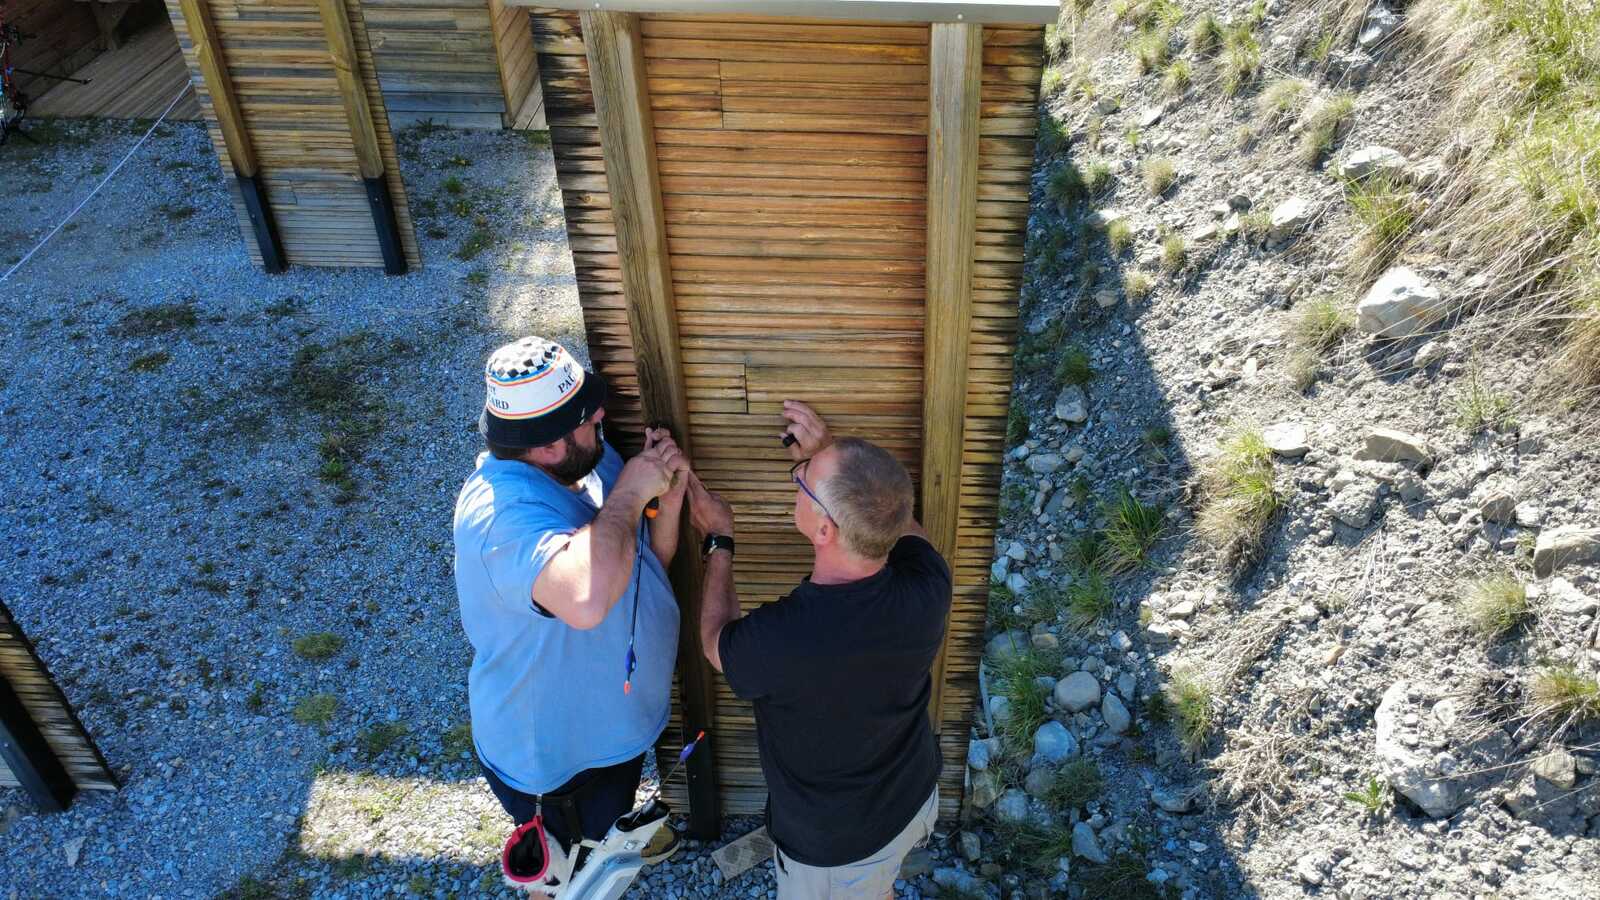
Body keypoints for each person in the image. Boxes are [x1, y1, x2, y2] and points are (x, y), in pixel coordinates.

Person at [687, 400, 953, 899]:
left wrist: (718, 540)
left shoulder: (784, 639)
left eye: (804, 481)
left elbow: (714, 640)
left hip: (837, 853)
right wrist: (831, 457)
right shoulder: (928, 586)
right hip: (913, 796)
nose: (798, 475)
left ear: (825, 530)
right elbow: (903, 526)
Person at [452, 336, 687, 889]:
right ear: (548, 447)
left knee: (602, 850)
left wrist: (667, 500)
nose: (601, 415)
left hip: (609, 736)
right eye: (586, 416)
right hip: (558, 767)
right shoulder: (501, 521)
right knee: (562, 880)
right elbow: (585, 600)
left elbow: (641, 562)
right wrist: (630, 495)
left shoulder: (588, 463)